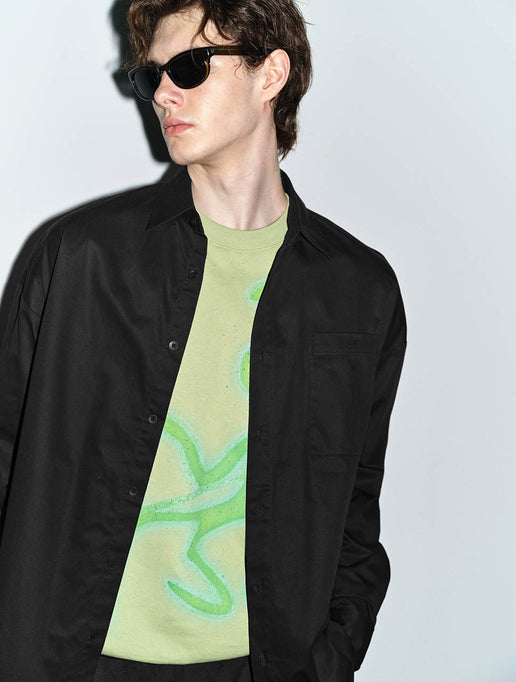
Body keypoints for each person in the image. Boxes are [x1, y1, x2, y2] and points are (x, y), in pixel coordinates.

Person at [0, 0, 408, 680]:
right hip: (75, 661)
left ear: (270, 73)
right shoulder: (82, 258)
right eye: (151, 75)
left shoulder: (357, 289)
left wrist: (330, 655)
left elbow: (354, 503)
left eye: (190, 66)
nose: (163, 93)